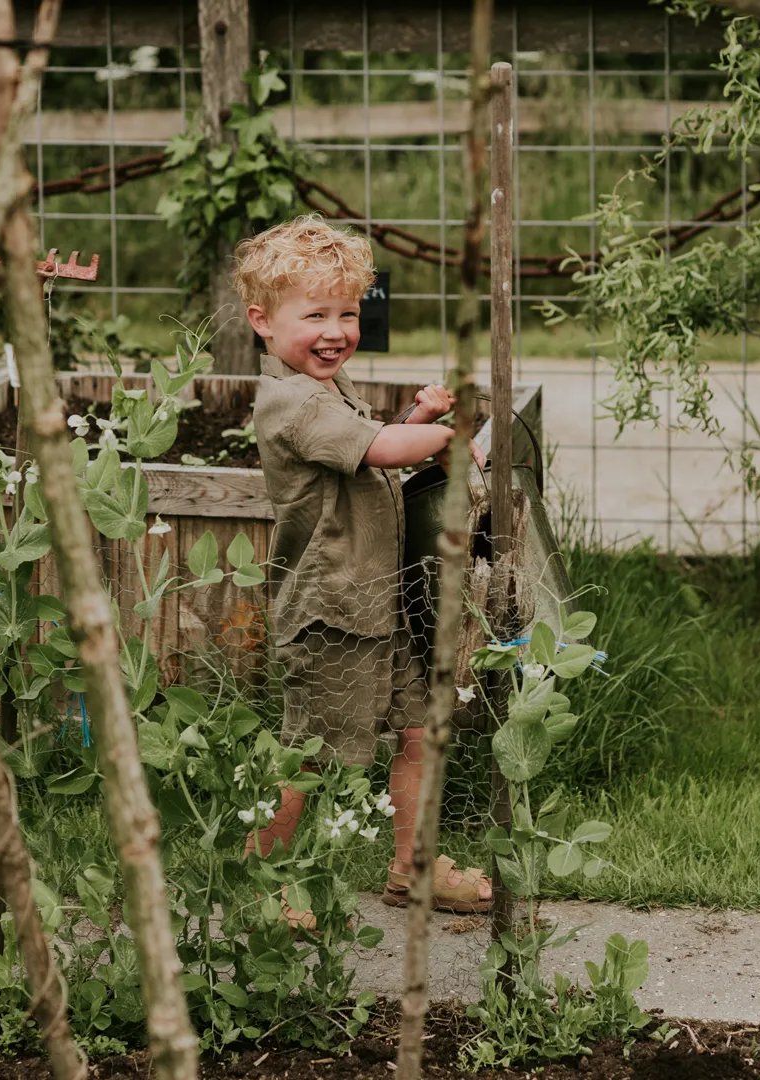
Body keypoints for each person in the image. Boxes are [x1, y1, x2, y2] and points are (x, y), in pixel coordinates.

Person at [232, 214, 492, 929]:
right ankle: (259, 883)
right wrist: (443, 435)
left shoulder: (327, 388)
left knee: (418, 730)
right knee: (311, 754)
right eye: (314, 315)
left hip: (380, 601)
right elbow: (376, 451)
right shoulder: (289, 402)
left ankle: (414, 867)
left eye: (347, 313)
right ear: (262, 321)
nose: (335, 331)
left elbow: (366, 455)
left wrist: (417, 418)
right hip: (332, 613)